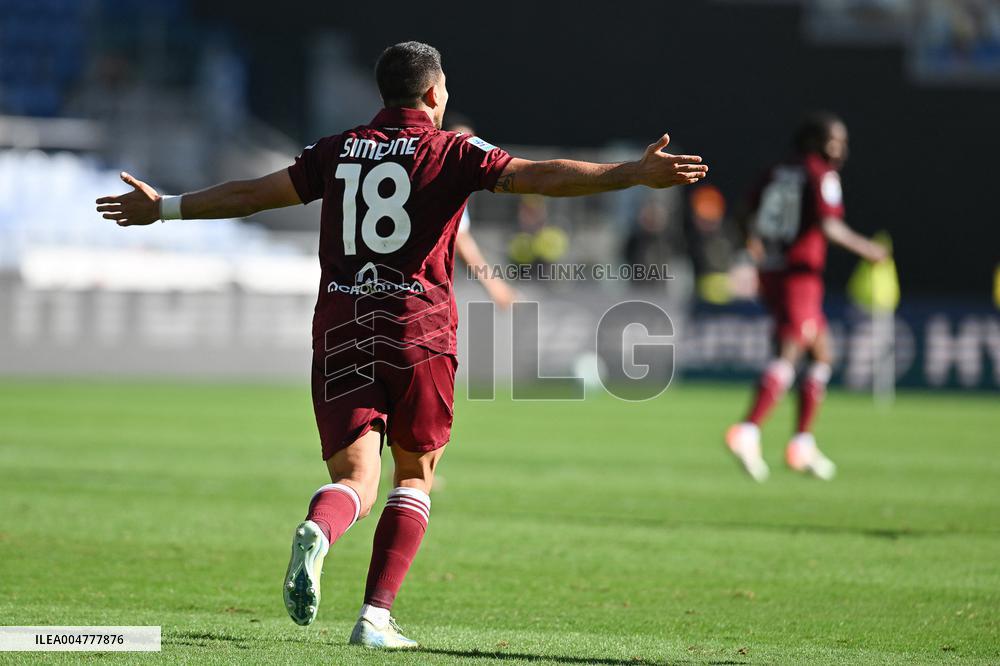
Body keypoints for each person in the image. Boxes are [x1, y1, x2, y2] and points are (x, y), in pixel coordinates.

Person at [95, 41, 708, 649]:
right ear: (435, 93)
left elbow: (254, 193)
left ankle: (319, 527)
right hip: (418, 331)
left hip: (341, 325)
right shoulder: (454, 150)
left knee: (354, 480)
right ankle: (374, 618)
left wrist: (167, 207)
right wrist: (631, 173)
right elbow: (537, 178)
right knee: (415, 474)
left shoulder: (337, 151)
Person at [726, 112, 888, 482]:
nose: (842, 149)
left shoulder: (776, 170)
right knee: (791, 349)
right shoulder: (821, 174)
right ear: (815, 142)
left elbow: (741, 212)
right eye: (835, 141)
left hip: (774, 271)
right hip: (799, 275)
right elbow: (829, 225)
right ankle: (748, 430)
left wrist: (752, 246)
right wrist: (869, 250)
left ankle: (801, 442)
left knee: (822, 353)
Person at [444, 112, 516, 309]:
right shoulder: (441, 185)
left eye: (471, 145)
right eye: (459, 144)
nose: (467, 152)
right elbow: (462, 242)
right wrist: (493, 284)